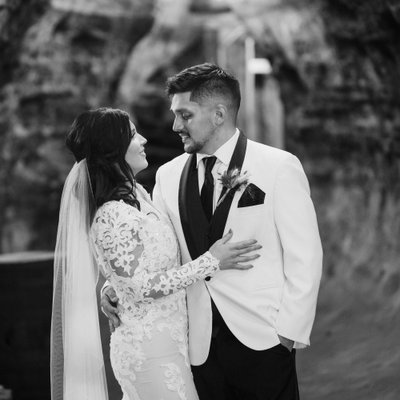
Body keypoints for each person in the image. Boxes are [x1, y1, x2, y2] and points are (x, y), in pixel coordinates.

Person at [102, 63, 323, 400]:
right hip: (197, 346)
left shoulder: (278, 166)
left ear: (219, 114)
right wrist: (115, 285)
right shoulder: (168, 176)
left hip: (263, 340)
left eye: (185, 115)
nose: (176, 126)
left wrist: (287, 335)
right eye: (175, 115)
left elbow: (305, 256)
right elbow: (155, 246)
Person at [50, 107, 261, 400]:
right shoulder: (111, 214)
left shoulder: (138, 194)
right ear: (113, 149)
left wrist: (112, 285)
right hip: (147, 349)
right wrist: (211, 261)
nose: (144, 140)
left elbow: (135, 265)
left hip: (173, 342)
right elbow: (137, 287)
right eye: (133, 135)